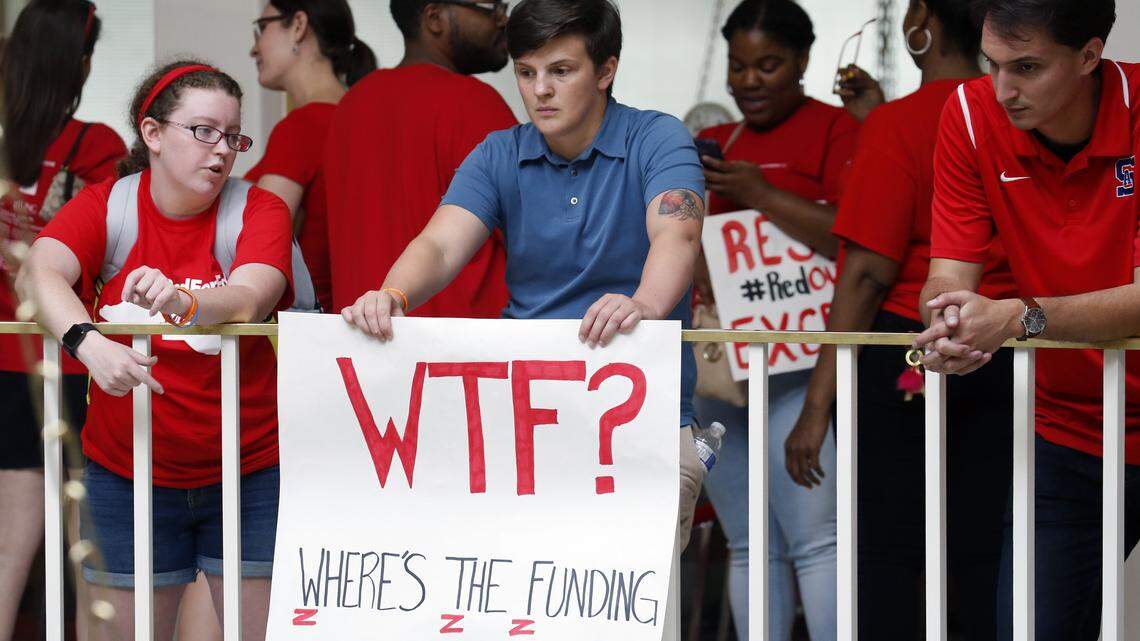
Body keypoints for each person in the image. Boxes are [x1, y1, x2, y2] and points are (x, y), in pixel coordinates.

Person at [341, 0, 707, 549]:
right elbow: (439, 245)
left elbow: (677, 232)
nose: (540, 90)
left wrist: (647, 305)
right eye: (527, 72)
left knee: (634, 610)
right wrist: (393, 293)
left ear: (606, 70)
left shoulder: (658, 138)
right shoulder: (498, 153)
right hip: (525, 416)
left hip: (640, 412)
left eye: (561, 71)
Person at [15, 61, 294, 641]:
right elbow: (38, 276)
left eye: (233, 137)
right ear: (153, 134)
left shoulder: (258, 209)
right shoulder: (107, 206)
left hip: (249, 472)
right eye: (203, 131)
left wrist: (185, 303)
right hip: (125, 474)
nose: (221, 151)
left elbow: (251, 295)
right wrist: (87, 342)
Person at [910, 1, 1138, 639]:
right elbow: (949, 272)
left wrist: (1017, 319)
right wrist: (949, 322)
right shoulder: (969, 111)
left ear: (1090, 56)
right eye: (993, 63)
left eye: (1028, 67)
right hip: (1070, 431)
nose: (1003, 89)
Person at [793, 1, 1019, 638]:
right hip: (1013, 350)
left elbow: (867, 273)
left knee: (889, 552)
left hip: (907, 355)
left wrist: (817, 405)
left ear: (921, 19)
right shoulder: (1014, 112)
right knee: (986, 547)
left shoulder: (899, 123)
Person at [692, 1, 859, 638]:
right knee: (748, 542)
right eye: (738, 67)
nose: (750, 81)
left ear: (803, 62)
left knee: (817, 540)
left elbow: (855, 239)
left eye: (769, 65)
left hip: (801, 369)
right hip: (728, 373)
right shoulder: (725, 143)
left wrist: (761, 193)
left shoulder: (836, 132)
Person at [0, 2, 125, 639]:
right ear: (77, 63)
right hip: (70, 358)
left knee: (6, 549)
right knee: (91, 549)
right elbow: (109, 257)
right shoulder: (97, 148)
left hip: (4, 360)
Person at [324, 0, 514, 317]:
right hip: (464, 351)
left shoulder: (351, 106)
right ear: (435, 18)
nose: (502, 20)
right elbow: (534, 240)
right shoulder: (475, 103)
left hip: (366, 339)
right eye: (491, 7)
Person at [246, 0, 375, 312]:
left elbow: (254, 240)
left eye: (262, 29)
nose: (254, 49)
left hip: (302, 328)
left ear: (299, 26)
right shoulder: (364, 119)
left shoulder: (303, 127)